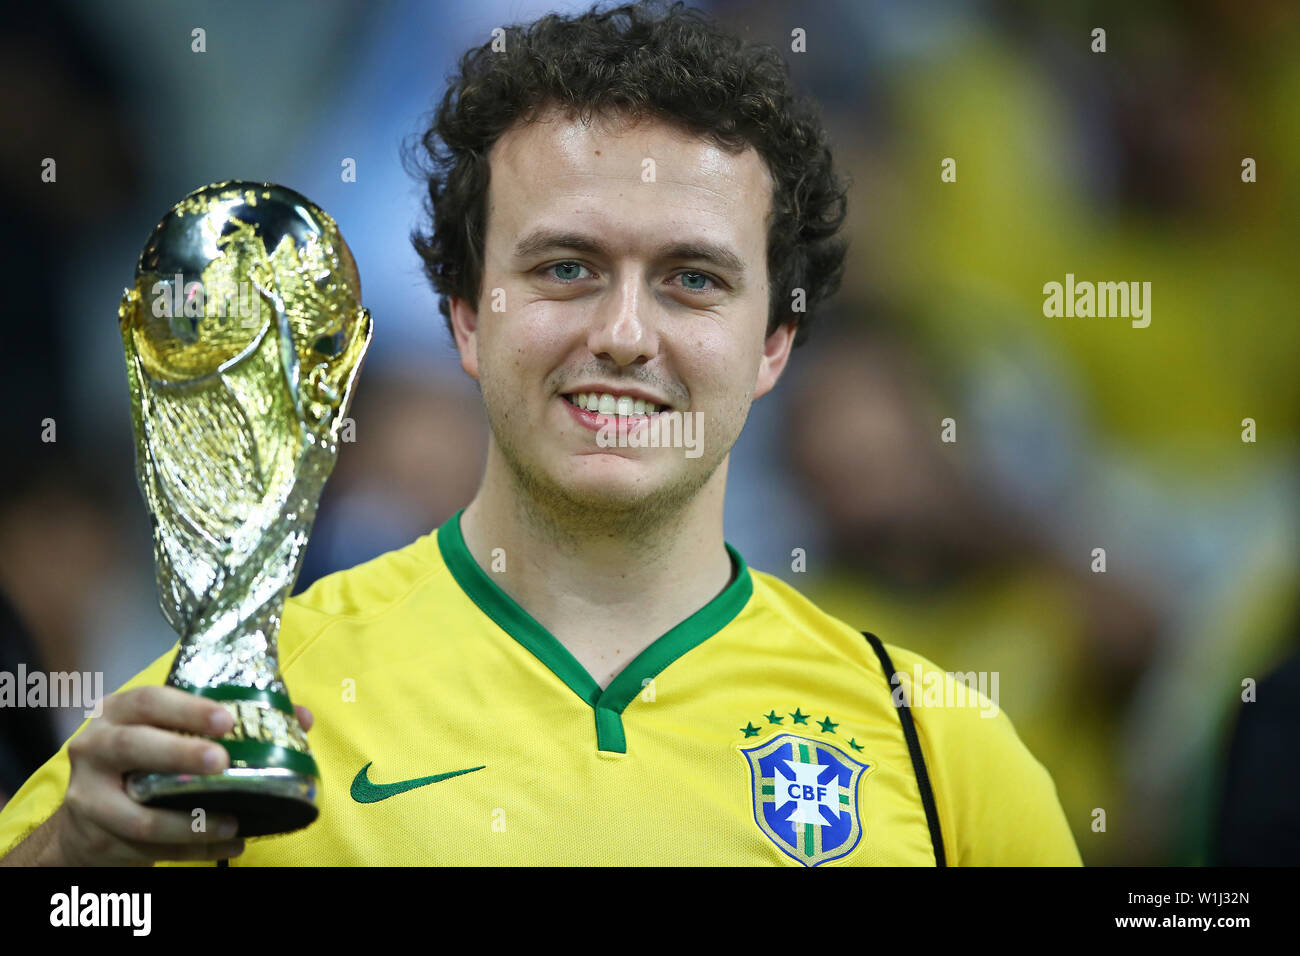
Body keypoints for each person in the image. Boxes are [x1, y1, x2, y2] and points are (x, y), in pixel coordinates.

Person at [0, 0, 1079, 866]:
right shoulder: (234, 722)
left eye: (692, 280)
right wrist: (70, 869)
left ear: (774, 344)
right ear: (466, 315)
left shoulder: (939, 753)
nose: (620, 333)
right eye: (565, 267)